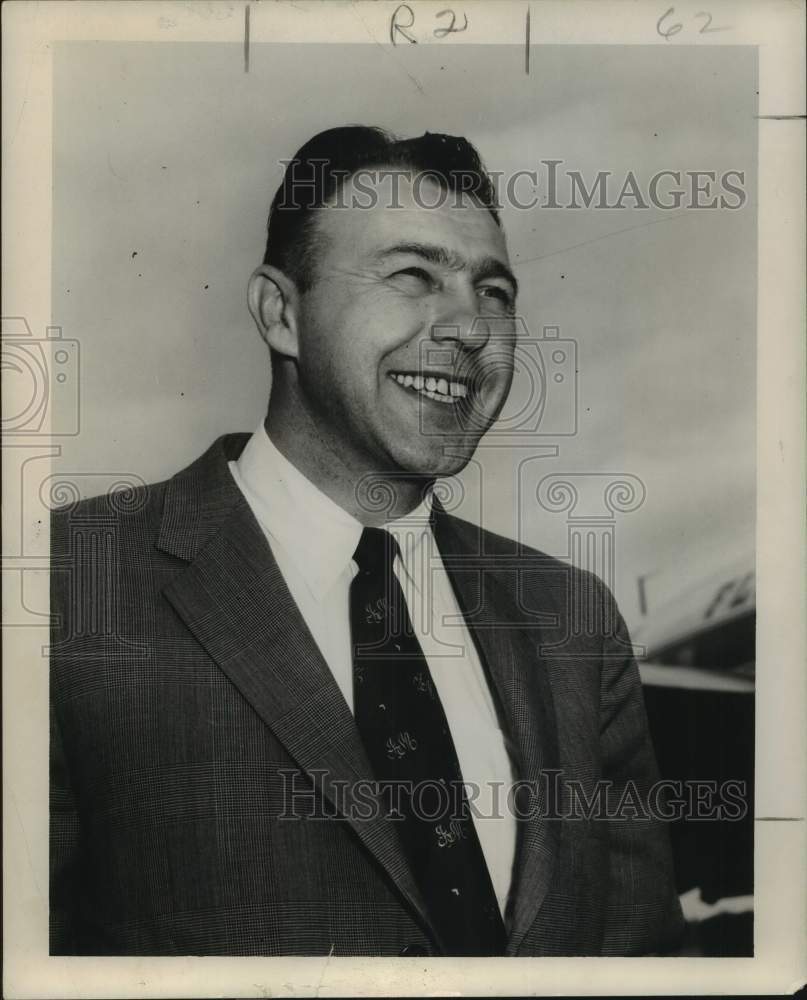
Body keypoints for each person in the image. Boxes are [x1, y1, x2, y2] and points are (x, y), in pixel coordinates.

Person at [50, 125, 684, 957]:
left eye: (494, 292)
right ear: (281, 313)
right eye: (413, 276)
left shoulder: (571, 619)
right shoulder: (66, 586)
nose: (468, 327)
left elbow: (645, 963)